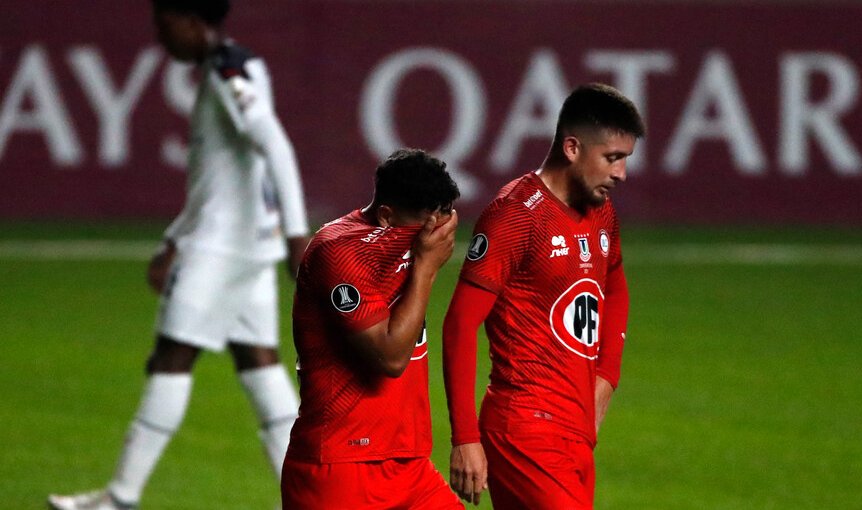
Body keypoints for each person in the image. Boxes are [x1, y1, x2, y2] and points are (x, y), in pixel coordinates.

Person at [48, 1, 310, 509]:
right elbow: (222, 180)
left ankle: (120, 498)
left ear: (193, 21)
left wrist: (299, 237)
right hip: (247, 243)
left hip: (222, 249)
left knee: (171, 358)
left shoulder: (230, 73)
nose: (161, 38)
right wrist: (174, 237)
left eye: (165, 25)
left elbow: (276, 147)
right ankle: (310, 496)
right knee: (259, 365)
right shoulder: (232, 65)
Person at [442, 83, 645, 509]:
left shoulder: (600, 211)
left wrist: (607, 377)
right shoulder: (515, 215)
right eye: (612, 158)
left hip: (575, 431)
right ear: (572, 148)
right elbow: (460, 323)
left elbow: (617, 287)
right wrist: (464, 437)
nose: (621, 173)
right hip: (526, 429)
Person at [281, 149, 462, 510]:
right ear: (386, 217)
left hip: (409, 465)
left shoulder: (406, 239)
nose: (437, 237)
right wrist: (425, 269)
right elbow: (391, 356)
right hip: (341, 469)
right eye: (424, 227)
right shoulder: (339, 252)